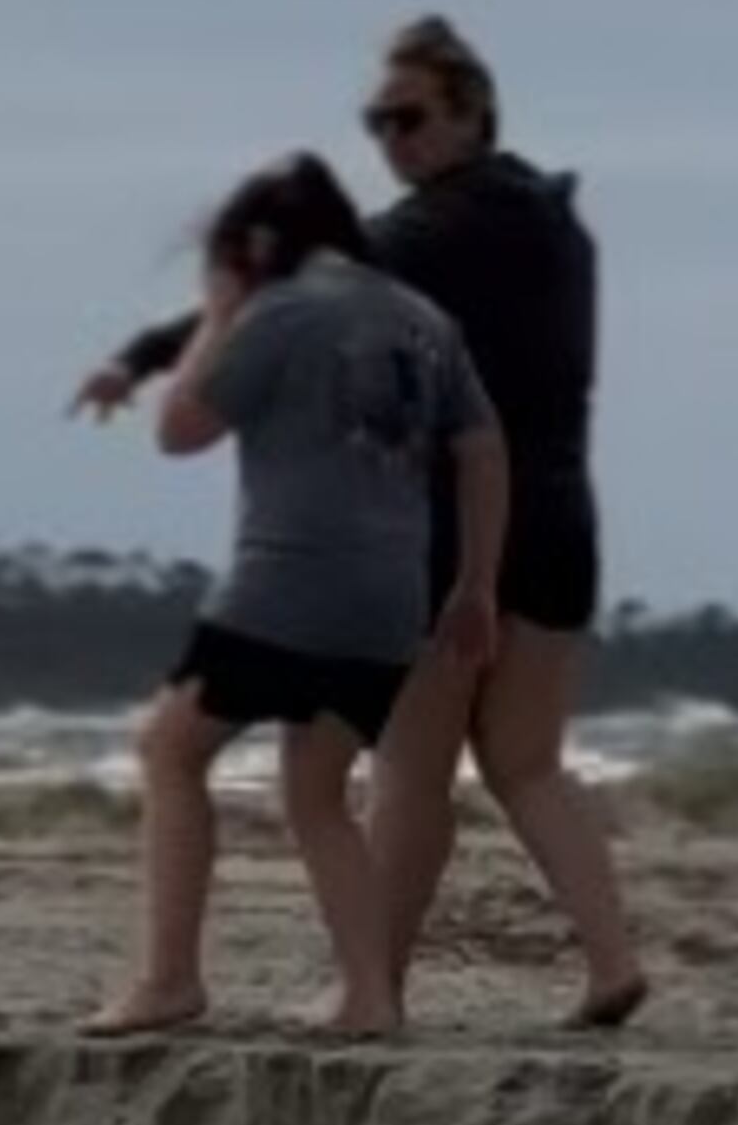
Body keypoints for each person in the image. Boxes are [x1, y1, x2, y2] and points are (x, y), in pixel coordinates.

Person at [74, 16, 645, 1028]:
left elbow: (289, 295)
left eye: (409, 118)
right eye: (375, 122)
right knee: (526, 760)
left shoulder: (432, 232)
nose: (390, 140)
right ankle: (609, 962)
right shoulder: (559, 228)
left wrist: (149, 352)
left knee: (410, 770)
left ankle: (369, 985)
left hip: (450, 526)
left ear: (471, 112)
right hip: (561, 516)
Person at [82, 154, 505, 1041]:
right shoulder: (425, 320)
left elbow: (181, 431)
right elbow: (481, 450)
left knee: (168, 751)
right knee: (317, 791)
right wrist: (475, 585)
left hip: (286, 584)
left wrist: (223, 312)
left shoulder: (281, 312)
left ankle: (168, 980)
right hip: (391, 598)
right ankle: (370, 994)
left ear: (260, 242)